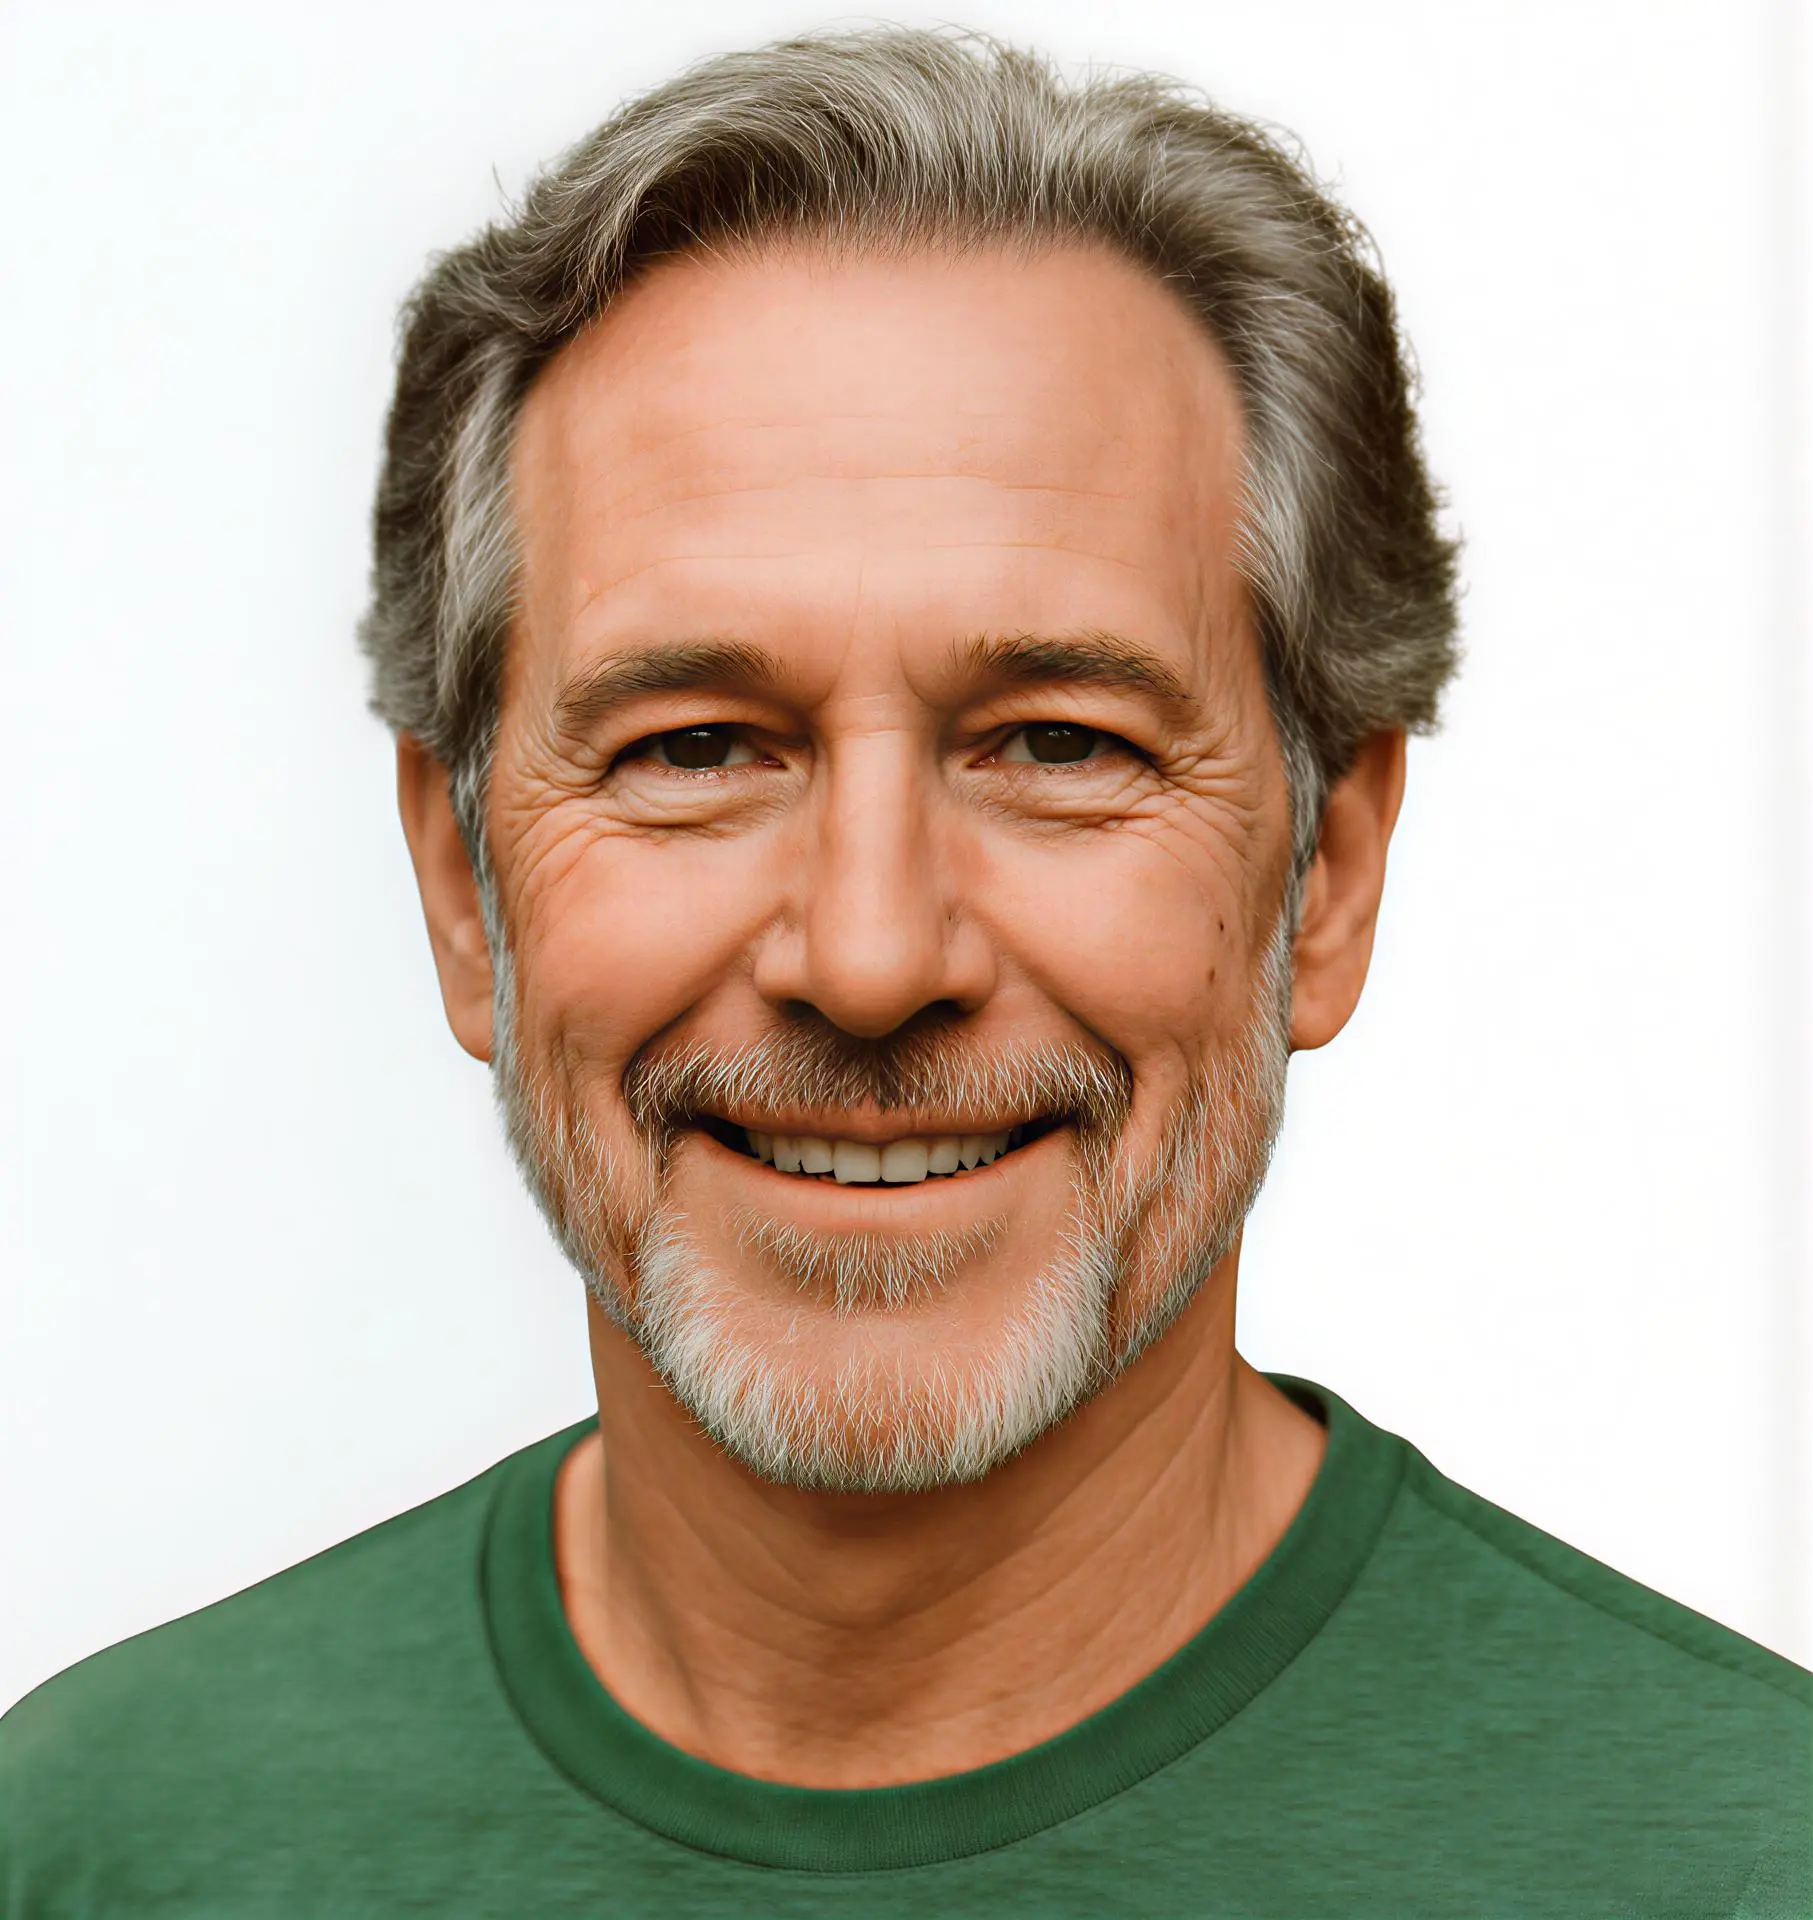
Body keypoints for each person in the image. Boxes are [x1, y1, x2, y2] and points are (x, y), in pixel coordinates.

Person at [2, 27, 1807, 1917]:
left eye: (1059, 742)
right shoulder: (90, 1855)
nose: (868, 958)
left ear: (1331, 868)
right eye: (695, 748)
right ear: (464, 883)